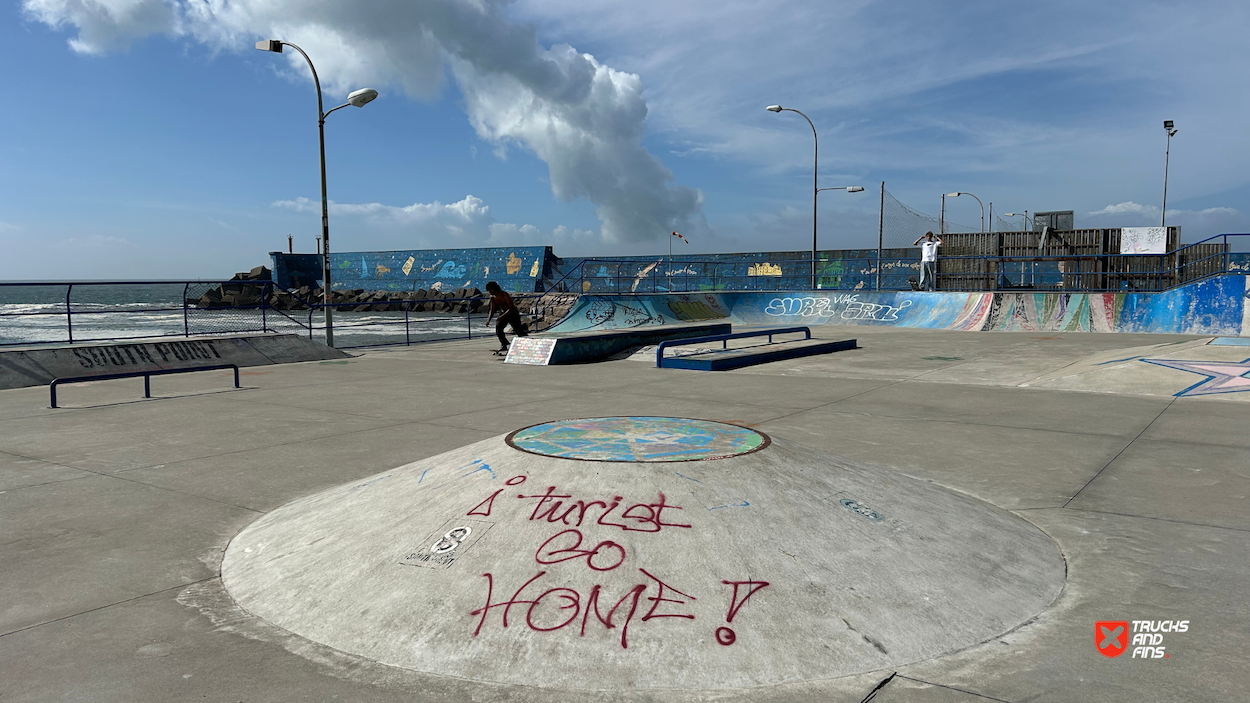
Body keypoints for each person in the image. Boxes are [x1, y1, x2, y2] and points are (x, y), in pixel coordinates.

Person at [483, 281, 528, 352]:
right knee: (499, 329)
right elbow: (492, 309)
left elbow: (511, 308)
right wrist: (489, 320)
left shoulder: (504, 294)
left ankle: (526, 344)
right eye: (488, 290)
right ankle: (504, 344)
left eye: (491, 289)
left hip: (512, 313)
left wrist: (502, 316)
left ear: (495, 288)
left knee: (518, 330)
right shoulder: (493, 297)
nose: (489, 291)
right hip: (503, 312)